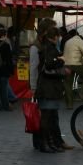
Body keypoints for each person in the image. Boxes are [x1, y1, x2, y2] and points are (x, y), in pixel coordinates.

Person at [35, 26, 72, 153]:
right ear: (55, 37)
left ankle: (50, 143)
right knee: (46, 117)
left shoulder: (45, 46)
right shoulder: (49, 48)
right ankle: (45, 144)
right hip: (48, 88)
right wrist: (61, 60)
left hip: (47, 87)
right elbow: (50, 64)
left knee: (50, 116)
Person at [29, 18, 56, 151]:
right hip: (41, 85)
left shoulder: (46, 45)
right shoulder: (36, 47)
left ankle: (42, 142)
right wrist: (33, 87)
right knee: (42, 115)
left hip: (46, 85)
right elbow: (33, 68)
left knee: (44, 115)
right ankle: (40, 142)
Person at [62, 29, 83, 109]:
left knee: (67, 84)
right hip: (76, 64)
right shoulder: (80, 42)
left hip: (67, 65)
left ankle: (69, 104)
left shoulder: (68, 41)